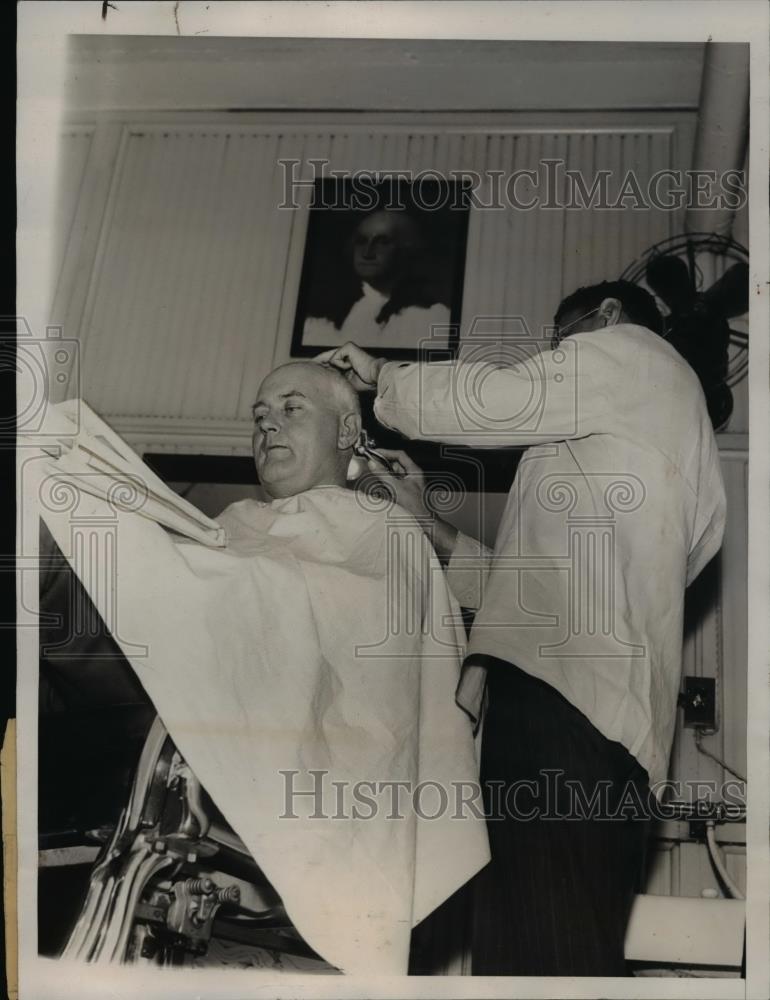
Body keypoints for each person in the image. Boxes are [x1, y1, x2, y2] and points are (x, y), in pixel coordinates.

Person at [316, 279, 727, 976]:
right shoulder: (643, 438)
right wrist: (423, 517)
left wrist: (384, 378)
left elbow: (506, 398)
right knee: (549, 952)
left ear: (607, 317)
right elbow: (534, 591)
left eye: (561, 343)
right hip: (595, 723)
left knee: (538, 962)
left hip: (561, 712)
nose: (555, 359)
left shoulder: (633, 353)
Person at [302, 209, 451, 350]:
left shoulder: (430, 316)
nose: (367, 253)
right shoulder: (329, 316)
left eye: (382, 242)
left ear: (407, 250)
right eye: (361, 241)